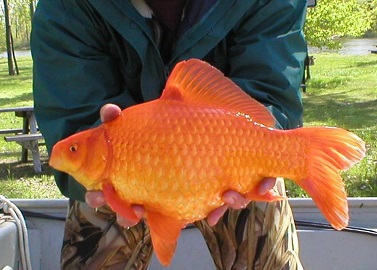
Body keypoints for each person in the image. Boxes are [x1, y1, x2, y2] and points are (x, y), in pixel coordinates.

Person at [31, 0, 307, 269]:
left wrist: (262, 149)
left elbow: (270, 93)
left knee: (263, 189)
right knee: (100, 191)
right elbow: (73, 118)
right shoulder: (66, 7)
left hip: (228, 158)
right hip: (123, 168)